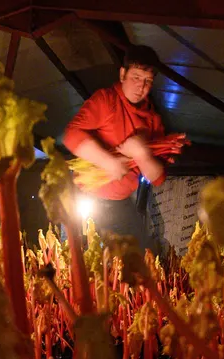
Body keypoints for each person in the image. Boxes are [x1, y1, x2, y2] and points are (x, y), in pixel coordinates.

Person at [62, 44, 168, 251]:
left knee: (138, 259)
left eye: (148, 81)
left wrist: (141, 155)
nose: (141, 87)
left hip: (120, 203)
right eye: (136, 77)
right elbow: (72, 135)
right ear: (122, 74)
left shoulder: (153, 121)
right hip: (86, 199)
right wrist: (108, 162)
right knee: (80, 261)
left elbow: (159, 177)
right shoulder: (106, 100)